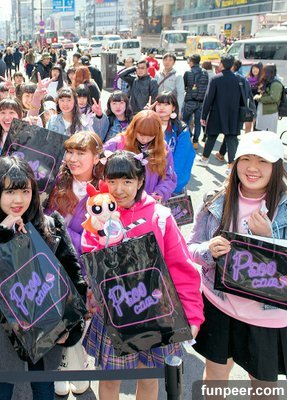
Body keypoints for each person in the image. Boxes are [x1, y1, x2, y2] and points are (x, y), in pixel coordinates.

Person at [187, 131, 287, 385]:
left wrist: (268, 240)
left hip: (268, 317)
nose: (252, 168)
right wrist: (208, 250)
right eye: (246, 159)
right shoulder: (215, 199)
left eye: (263, 161)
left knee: (263, 386)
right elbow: (190, 248)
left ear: (276, 166)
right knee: (215, 377)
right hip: (218, 305)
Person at [0, 156, 87, 400]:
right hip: (1, 330)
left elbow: (73, 277)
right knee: (0, 392)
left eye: (25, 191)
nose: (18, 200)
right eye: (10, 192)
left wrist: (72, 326)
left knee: (44, 390)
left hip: (45, 324)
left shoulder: (50, 225)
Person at [82, 150, 203, 400]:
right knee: (109, 380)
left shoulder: (160, 216)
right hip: (116, 311)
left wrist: (192, 314)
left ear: (140, 182)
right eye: (112, 181)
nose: (119, 189)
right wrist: (103, 239)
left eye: (127, 181)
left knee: (148, 378)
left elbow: (181, 267)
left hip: (156, 311)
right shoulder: (97, 217)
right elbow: (90, 258)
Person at [104, 110, 177, 202]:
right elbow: (100, 166)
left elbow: (168, 177)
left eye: (150, 136)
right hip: (119, 199)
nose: (145, 139)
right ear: (134, 128)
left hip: (148, 200)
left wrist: (159, 193)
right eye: (141, 134)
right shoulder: (118, 143)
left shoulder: (163, 148)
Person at [199, 54, 242, 169]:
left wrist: (204, 115)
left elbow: (208, 98)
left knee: (211, 137)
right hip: (233, 114)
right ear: (232, 65)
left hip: (216, 112)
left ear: (221, 64)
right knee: (231, 139)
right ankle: (231, 166)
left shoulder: (215, 79)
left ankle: (205, 159)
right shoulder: (238, 79)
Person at [154, 92, 195, 195]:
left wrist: (167, 187)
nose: (161, 107)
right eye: (159, 104)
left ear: (173, 107)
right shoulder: (149, 125)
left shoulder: (181, 130)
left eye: (166, 104)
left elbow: (180, 163)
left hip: (170, 185)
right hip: (149, 183)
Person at [182, 54, 209, 149]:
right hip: (201, 102)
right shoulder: (205, 73)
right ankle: (195, 142)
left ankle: (188, 136)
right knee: (198, 123)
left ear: (191, 62)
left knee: (185, 121)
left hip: (190, 101)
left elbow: (184, 86)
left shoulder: (188, 73)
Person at [254, 64, 282, 133]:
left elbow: (274, 98)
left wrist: (259, 98)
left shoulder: (276, 84)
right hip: (263, 111)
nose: (262, 73)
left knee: (268, 133)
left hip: (270, 112)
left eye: (264, 71)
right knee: (260, 132)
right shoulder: (268, 81)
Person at [244, 62, 263, 133]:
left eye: (257, 68)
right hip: (248, 104)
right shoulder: (247, 79)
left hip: (258, 105)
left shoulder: (262, 80)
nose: (254, 70)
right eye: (253, 68)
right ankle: (246, 138)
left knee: (256, 126)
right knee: (247, 125)